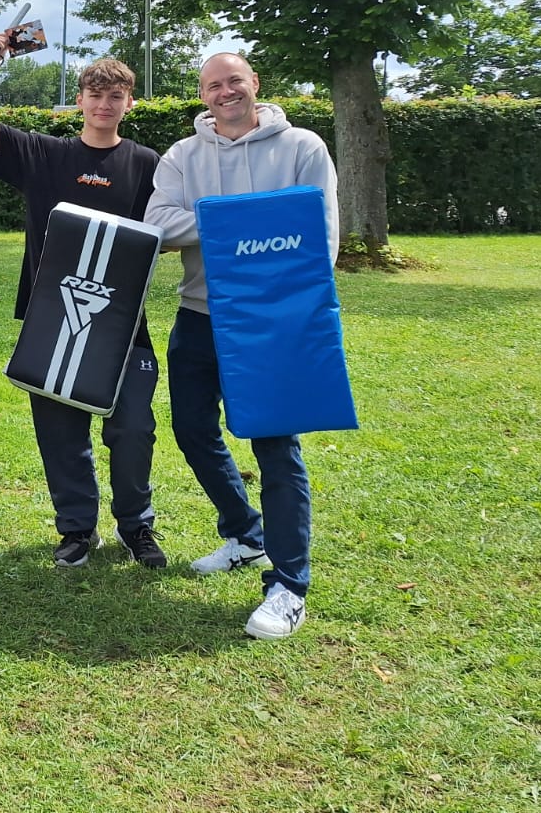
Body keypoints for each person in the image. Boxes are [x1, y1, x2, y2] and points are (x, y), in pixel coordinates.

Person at [145, 52, 339, 640]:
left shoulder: (304, 147)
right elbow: (159, 226)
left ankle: (289, 585)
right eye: (213, 85)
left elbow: (319, 236)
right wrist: (247, 222)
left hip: (274, 320)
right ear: (202, 96)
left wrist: (213, 222)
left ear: (255, 82)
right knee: (190, 428)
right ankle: (246, 534)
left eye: (234, 81)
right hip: (200, 314)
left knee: (276, 444)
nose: (225, 92)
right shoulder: (183, 155)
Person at [0, 49, 166, 569]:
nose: (104, 104)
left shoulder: (148, 165)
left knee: (131, 428)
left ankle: (136, 527)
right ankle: (77, 529)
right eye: (95, 95)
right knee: (61, 433)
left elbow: (166, 233)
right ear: (78, 102)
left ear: (129, 103)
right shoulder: (46, 154)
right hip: (52, 322)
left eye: (115, 96)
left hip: (124, 328)